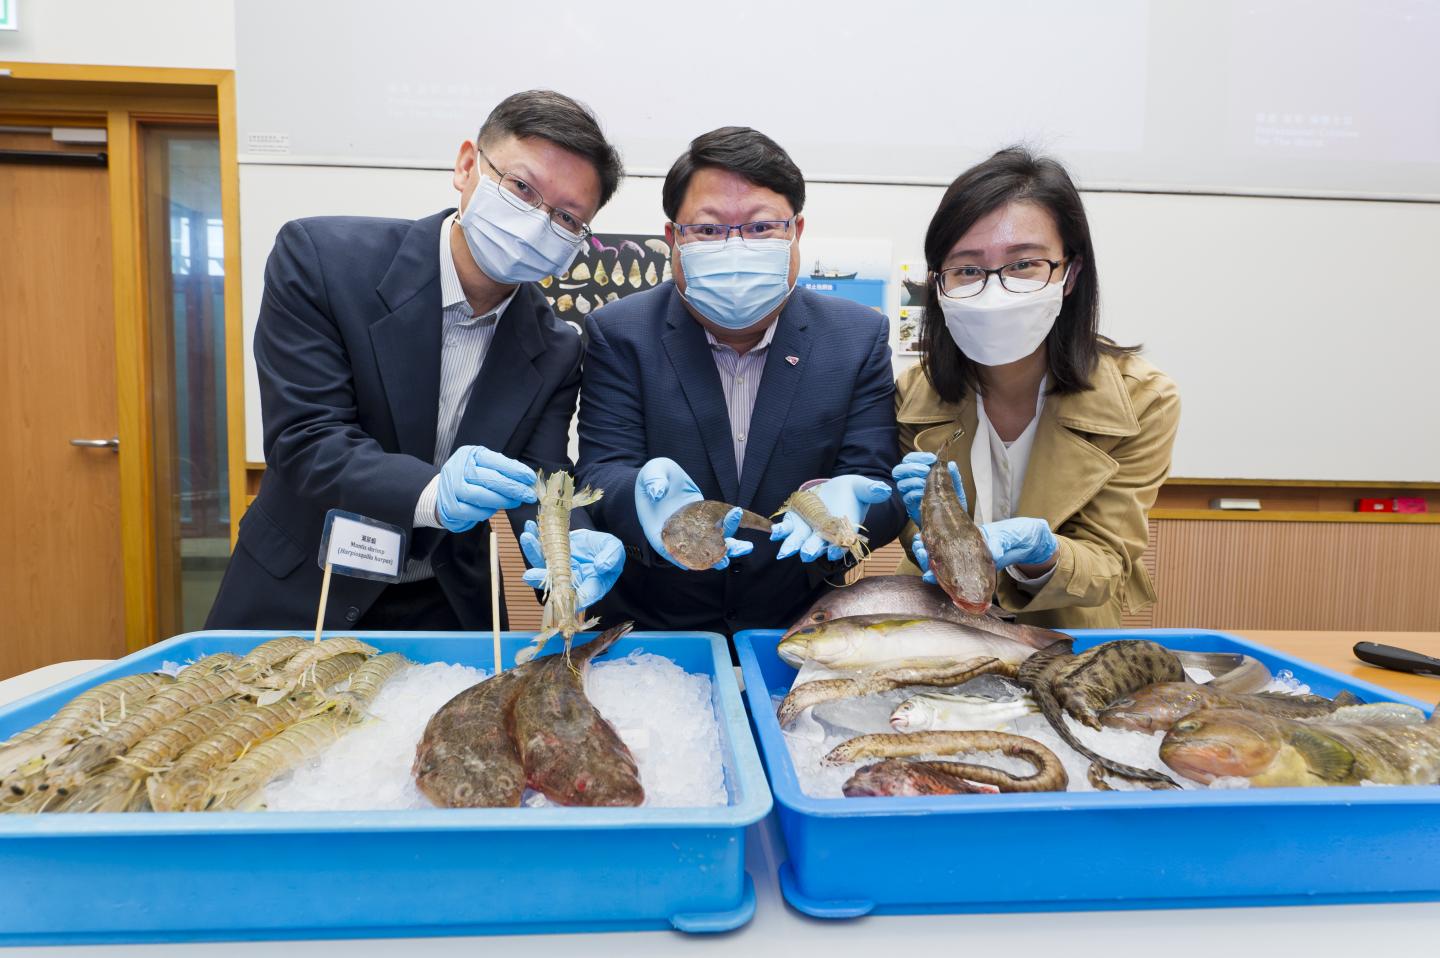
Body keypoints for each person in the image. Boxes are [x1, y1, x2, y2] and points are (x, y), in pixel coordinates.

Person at [207, 91, 626, 632]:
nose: (537, 221)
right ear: (468, 165)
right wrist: (431, 493)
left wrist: (569, 536)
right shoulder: (321, 259)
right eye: (522, 188)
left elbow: (538, 478)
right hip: (303, 585)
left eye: (566, 217)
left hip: (445, 599)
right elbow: (306, 438)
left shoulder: (557, 346)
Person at [577, 127, 904, 635]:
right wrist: (640, 495)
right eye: (708, 229)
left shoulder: (856, 336)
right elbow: (602, 469)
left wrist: (852, 505)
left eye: (760, 227)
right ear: (673, 238)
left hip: (799, 627)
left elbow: (878, 480)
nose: (735, 246)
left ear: (796, 231)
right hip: (650, 625)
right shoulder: (619, 332)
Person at [892, 147, 1179, 629]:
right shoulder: (911, 395)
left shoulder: (1143, 400)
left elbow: (1109, 562)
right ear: (938, 284)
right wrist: (930, 528)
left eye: (1023, 264)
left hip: (1065, 636)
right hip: (942, 624)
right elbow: (915, 539)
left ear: (1070, 273)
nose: (995, 289)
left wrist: (1041, 553)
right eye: (967, 269)